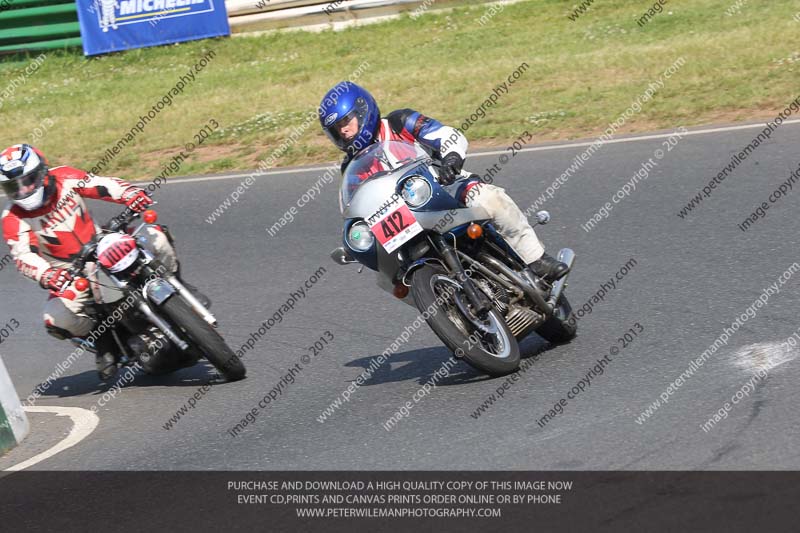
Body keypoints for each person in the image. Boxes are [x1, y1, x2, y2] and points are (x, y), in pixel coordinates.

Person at [318, 81, 569, 282]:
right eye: (336, 130)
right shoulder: (351, 167)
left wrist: (450, 158)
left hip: (445, 188)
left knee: (491, 199)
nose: (343, 132)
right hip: (404, 222)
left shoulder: (399, 122)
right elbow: (356, 207)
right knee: (390, 279)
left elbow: (445, 134)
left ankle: (537, 260)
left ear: (363, 111)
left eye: (345, 122)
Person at [0, 143, 178, 380]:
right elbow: (23, 256)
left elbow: (102, 185)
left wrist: (130, 194)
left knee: (157, 236)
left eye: (28, 181)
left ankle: (176, 284)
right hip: (69, 273)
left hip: (104, 242)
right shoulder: (12, 217)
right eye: (14, 187)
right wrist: (47, 274)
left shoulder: (64, 177)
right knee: (55, 318)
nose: (23, 191)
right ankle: (104, 338)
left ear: (42, 172)